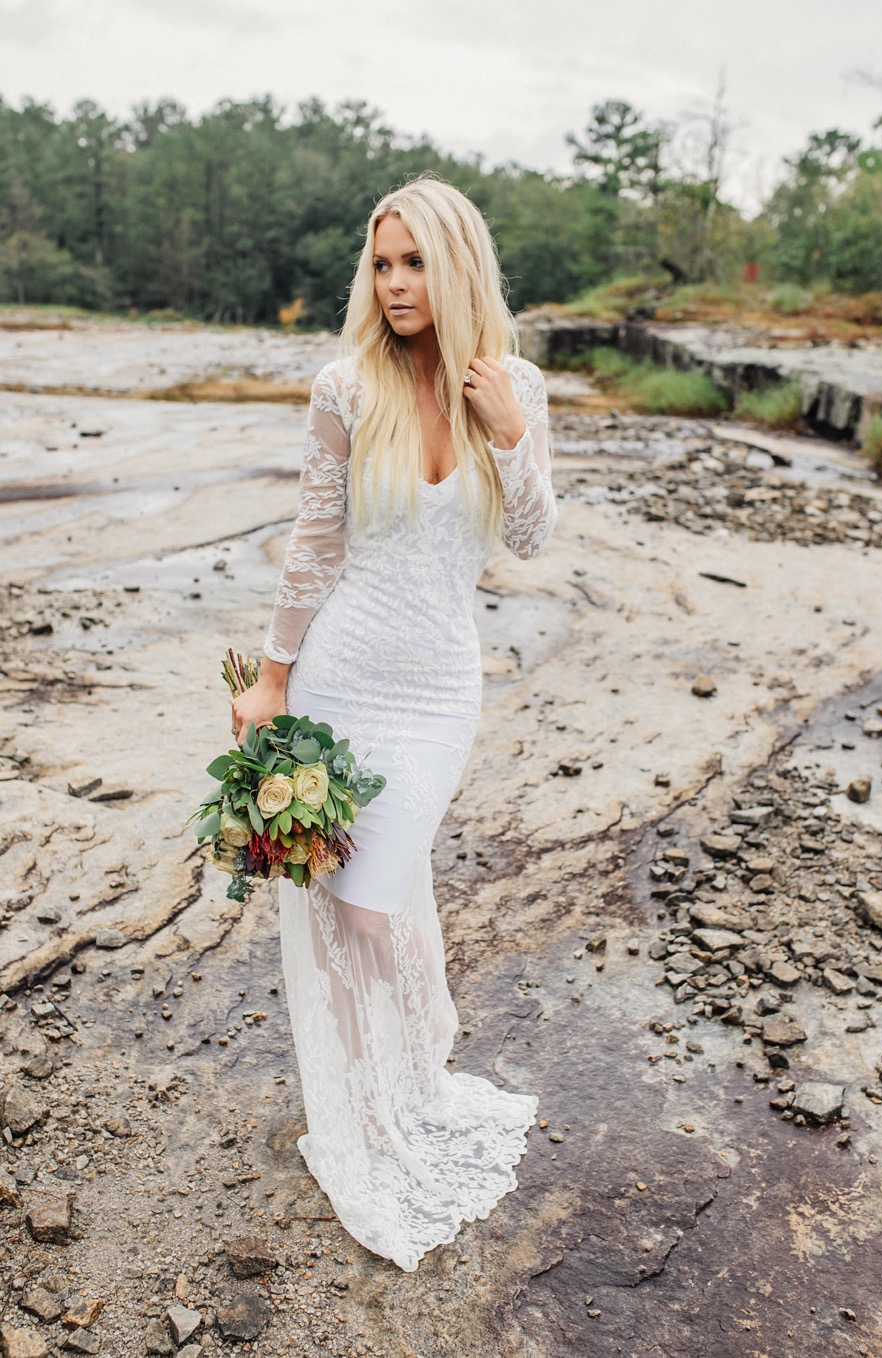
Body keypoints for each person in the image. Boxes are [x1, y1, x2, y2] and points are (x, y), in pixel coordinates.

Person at [231, 174, 557, 1271]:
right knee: (350, 908)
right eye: (380, 262)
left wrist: (508, 437)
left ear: (456, 266)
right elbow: (313, 542)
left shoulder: (511, 387)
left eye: (414, 261)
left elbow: (531, 539)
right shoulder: (344, 386)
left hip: (435, 692)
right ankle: (368, 1107)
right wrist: (270, 680)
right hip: (340, 678)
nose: (395, 282)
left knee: (382, 891)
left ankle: (410, 1085)